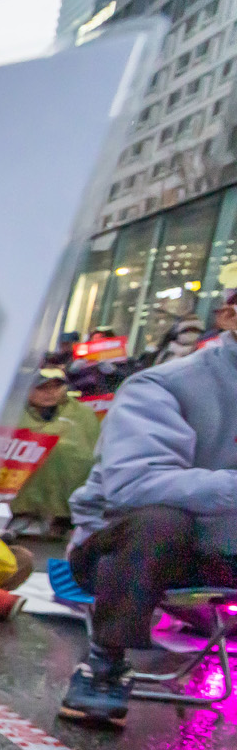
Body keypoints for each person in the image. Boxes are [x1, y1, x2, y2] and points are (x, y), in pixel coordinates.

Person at [60, 295, 237, 724]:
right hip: (134, 550)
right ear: (230, 317)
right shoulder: (166, 385)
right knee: (159, 521)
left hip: (226, 552)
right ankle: (104, 664)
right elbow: (134, 485)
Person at [8, 359, 102, 533]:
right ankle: (26, 513)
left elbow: (94, 449)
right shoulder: (11, 413)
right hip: (20, 500)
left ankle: (62, 517)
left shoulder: (82, 414)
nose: (50, 393)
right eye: (42, 388)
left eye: (56, 387)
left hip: (69, 500)